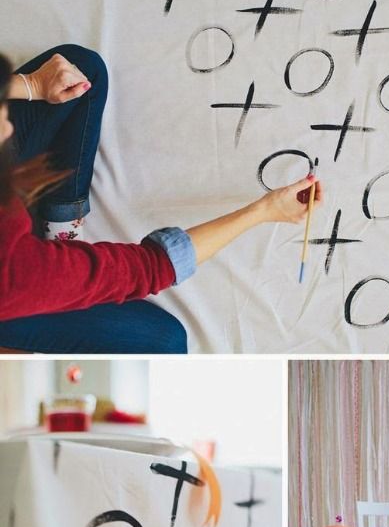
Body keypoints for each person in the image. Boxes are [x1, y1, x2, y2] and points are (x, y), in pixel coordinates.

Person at [0, 45, 323, 353]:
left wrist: (29, 85)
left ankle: (60, 229)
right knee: (162, 339)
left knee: (78, 72)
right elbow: (154, 264)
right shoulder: (16, 277)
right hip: (16, 288)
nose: (9, 127)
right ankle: (61, 249)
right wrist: (263, 211)